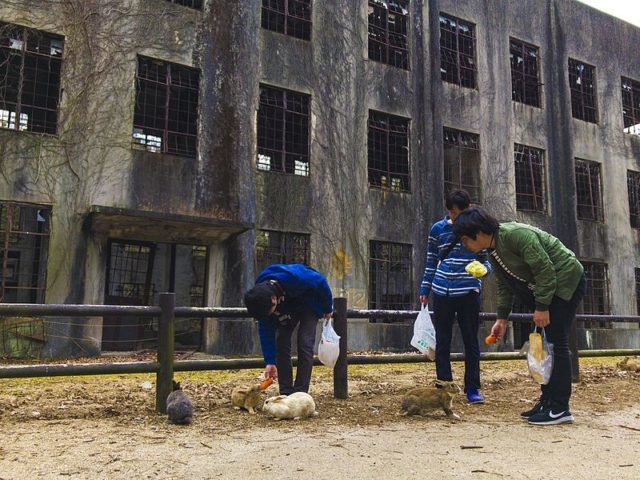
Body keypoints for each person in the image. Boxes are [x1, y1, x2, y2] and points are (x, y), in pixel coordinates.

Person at [452, 207, 586, 426]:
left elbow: (545, 270)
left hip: (565, 281)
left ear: (478, 233)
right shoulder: (493, 250)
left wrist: (542, 307)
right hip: (546, 287)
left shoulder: (516, 235)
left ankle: (560, 408)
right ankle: (547, 401)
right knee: (542, 346)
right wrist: (502, 319)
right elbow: (506, 285)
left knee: (555, 342)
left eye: (465, 240)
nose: (465, 245)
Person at [419, 190, 492, 404]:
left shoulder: (478, 231)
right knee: (442, 341)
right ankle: (444, 386)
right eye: (451, 212)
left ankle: (472, 387)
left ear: (468, 208)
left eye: (458, 213)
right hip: (442, 291)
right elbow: (431, 260)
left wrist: (482, 271)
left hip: (468, 291)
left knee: (471, 340)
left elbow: (487, 262)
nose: (454, 216)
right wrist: (425, 289)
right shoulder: (438, 230)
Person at [243, 263, 333, 395]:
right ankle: (286, 392)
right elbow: (265, 329)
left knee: (305, 342)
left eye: (270, 312)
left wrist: (327, 307)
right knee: (281, 340)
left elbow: (320, 281)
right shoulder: (260, 299)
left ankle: (300, 393)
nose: (270, 315)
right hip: (287, 307)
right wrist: (270, 362)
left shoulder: (296, 278)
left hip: (310, 302)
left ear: (274, 300)